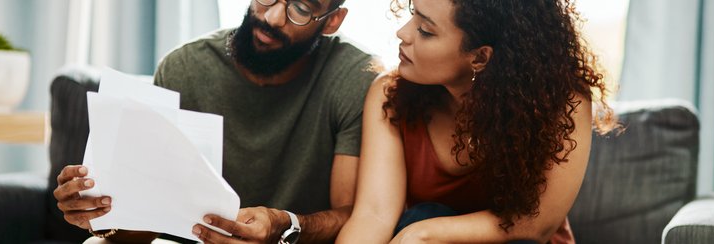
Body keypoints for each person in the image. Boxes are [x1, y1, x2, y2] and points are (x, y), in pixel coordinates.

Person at [53, 0, 379, 243]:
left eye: (301, 8)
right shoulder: (185, 68)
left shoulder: (354, 79)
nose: (272, 17)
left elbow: (355, 214)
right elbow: (147, 223)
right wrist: (102, 215)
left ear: (332, 20)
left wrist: (285, 224)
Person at [337, 0, 618, 243]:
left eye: (425, 30)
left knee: (422, 219)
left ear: (480, 57)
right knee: (421, 216)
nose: (403, 33)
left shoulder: (563, 101)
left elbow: (536, 225)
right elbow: (374, 215)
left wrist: (423, 233)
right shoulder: (390, 94)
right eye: (413, 13)